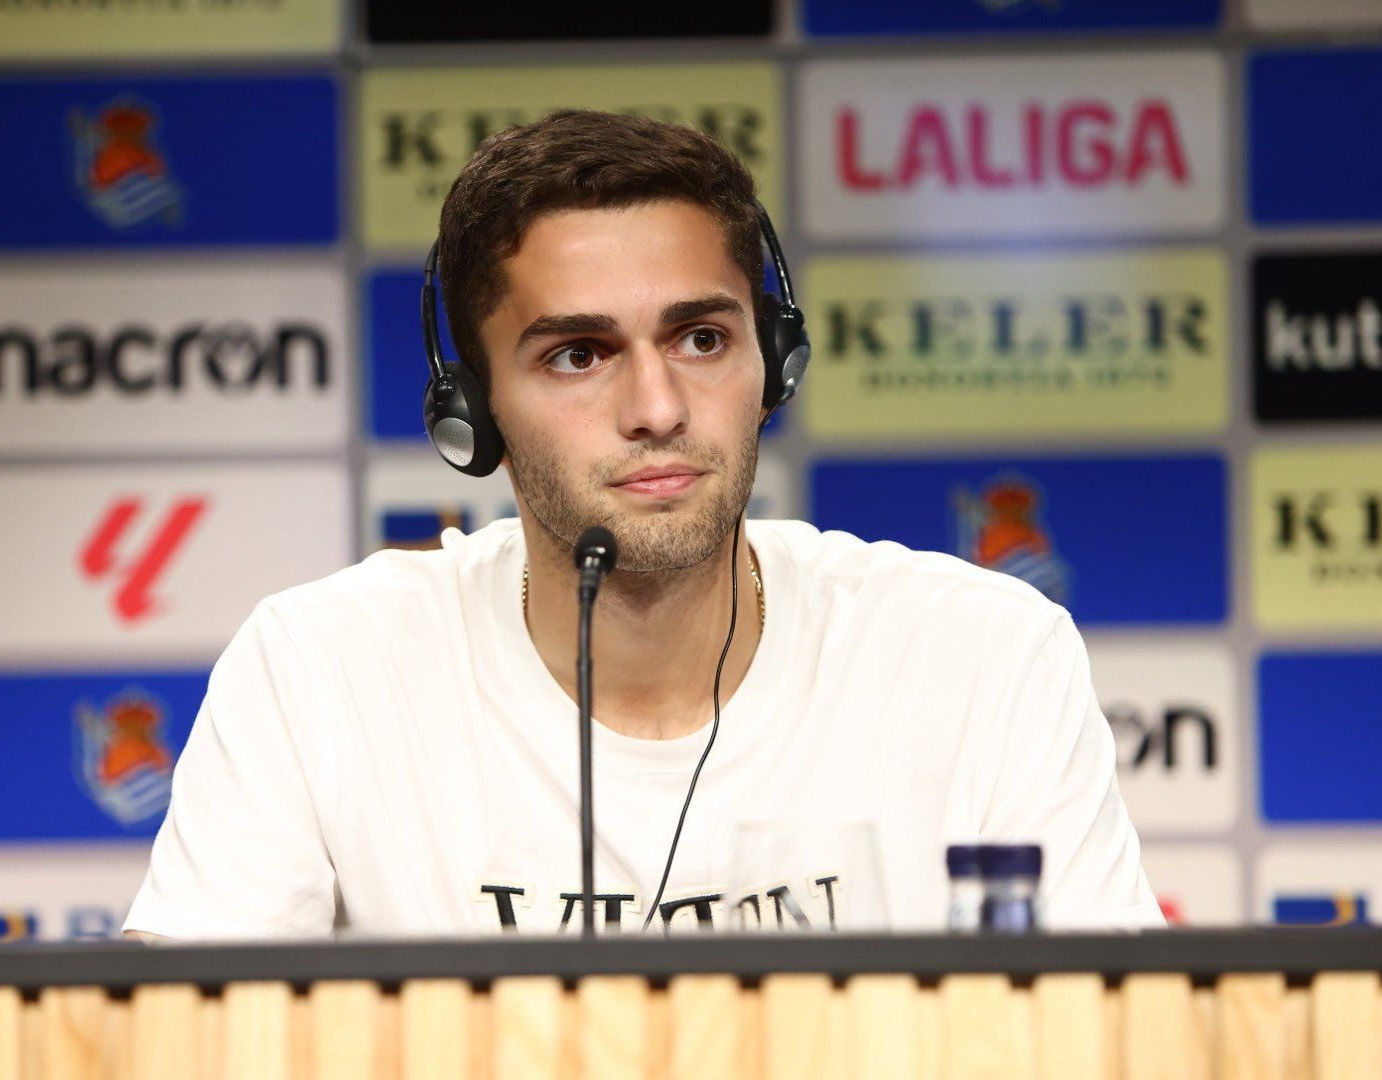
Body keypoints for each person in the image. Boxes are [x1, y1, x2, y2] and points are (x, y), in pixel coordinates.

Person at [122, 109, 1162, 940]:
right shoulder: (321, 672)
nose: (658, 409)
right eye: (579, 355)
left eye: (702, 338)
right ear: (473, 409)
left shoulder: (980, 657)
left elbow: (1117, 1044)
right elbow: (172, 1047)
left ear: (773, 364)